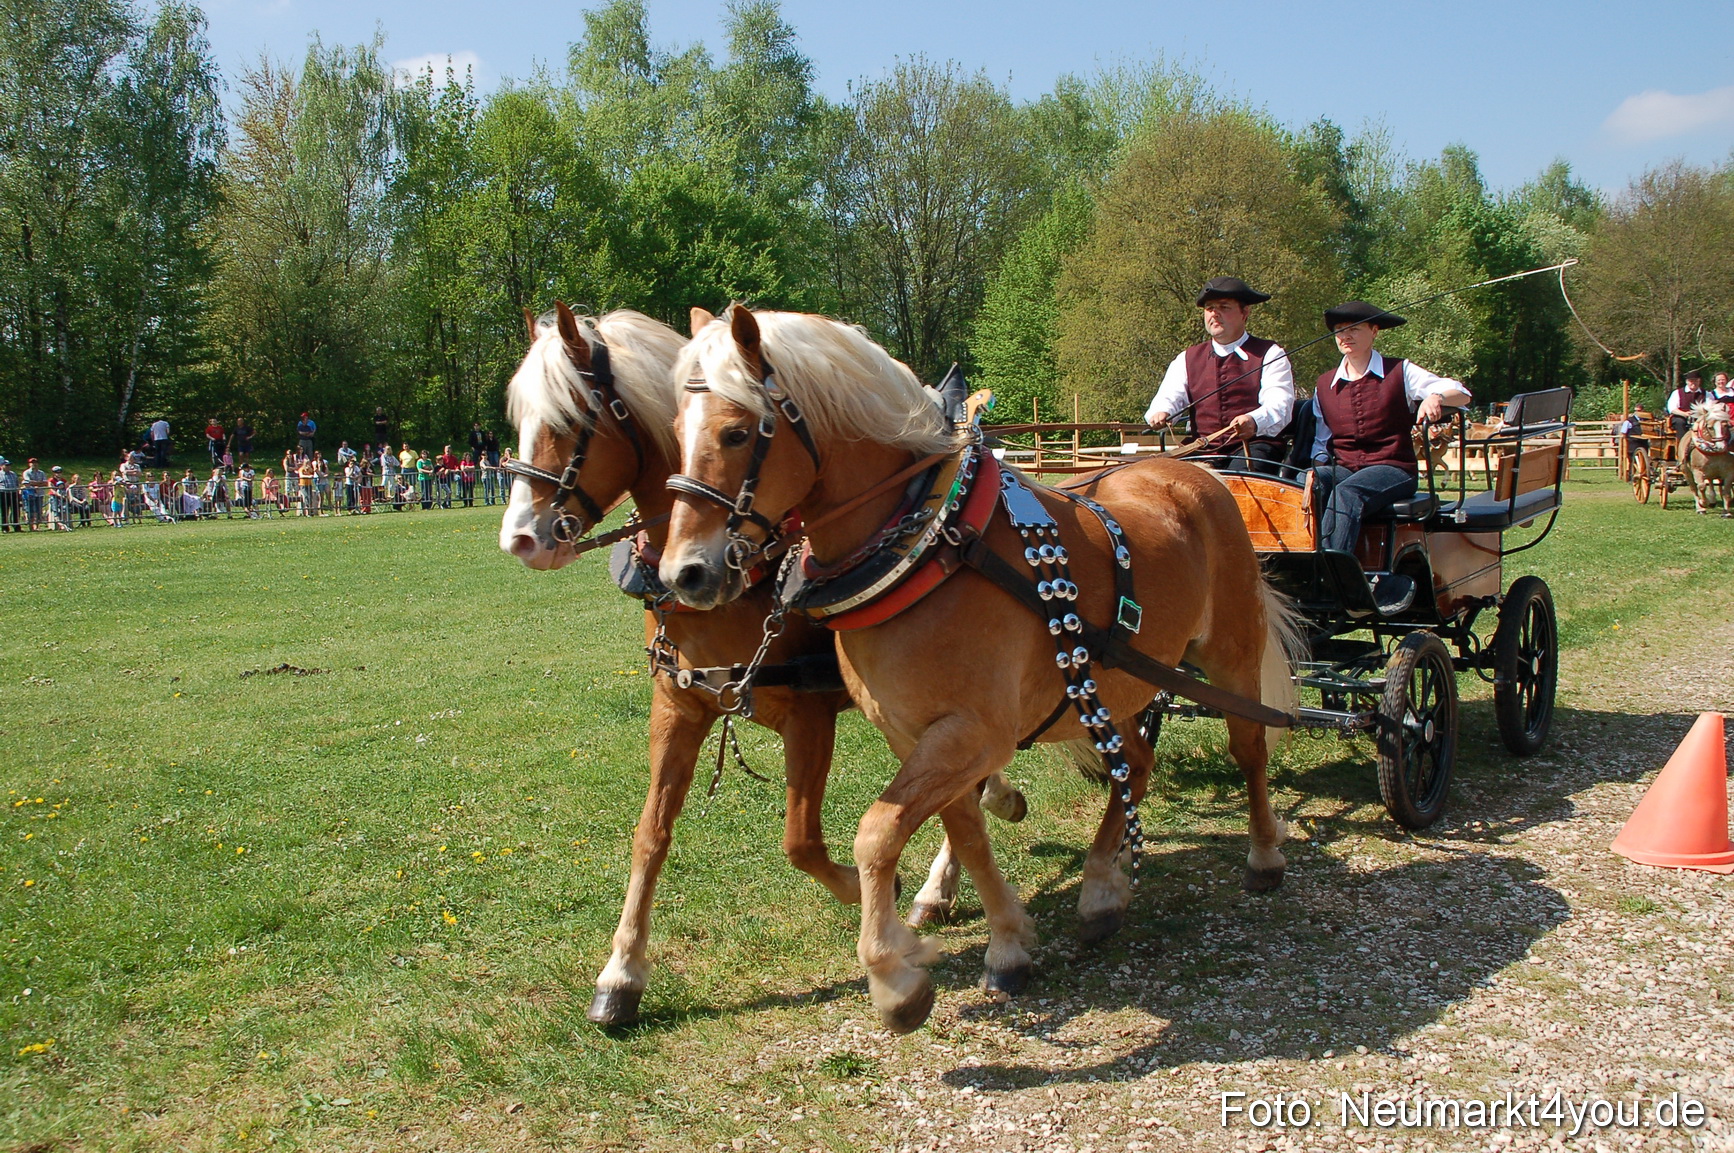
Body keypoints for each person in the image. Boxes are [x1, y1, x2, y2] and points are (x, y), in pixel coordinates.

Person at [1310, 300, 1470, 615]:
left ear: (1374, 331)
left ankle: (1333, 581)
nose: (1345, 336)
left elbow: (1462, 393)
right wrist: (1317, 469)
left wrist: (1435, 396)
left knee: (1347, 493)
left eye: (1354, 328)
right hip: (1344, 466)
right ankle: (1300, 573)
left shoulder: (1400, 371)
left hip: (1393, 468)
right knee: (1307, 483)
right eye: (1339, 331)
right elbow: (1321, 441)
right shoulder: (1324, 385)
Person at [1144, 276, 1296, 473]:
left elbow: (1280, 405)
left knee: (1237, 481)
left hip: (1253, 447)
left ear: (1245, 312)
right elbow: (1169, 396)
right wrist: (1162, 412)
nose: (1215, 314)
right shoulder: (1187, 358)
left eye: (1224, 307)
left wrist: (1253, 420)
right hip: (1202, 449)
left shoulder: (1271, 353)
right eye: (1209, 308)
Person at [1667, 371, 1707, 459]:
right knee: (1680, 422)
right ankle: (1682, 450)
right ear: (1687, 382)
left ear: (1699, 381)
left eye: (1696, 380)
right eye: (1691, 381)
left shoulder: (1706, 394)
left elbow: (1711, 407)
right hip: (1681, 417)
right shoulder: (1677, 393)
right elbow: (1672, 409)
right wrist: (1684, 414)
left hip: (1700, 418)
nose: (1693, 383)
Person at [20, 458, 47, 530]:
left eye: (35, 462)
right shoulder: (26, 472)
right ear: (29, 464)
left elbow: (45, 483)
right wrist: (39, 483)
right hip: (30, 495)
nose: (34, 464)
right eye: (32, 463)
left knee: (39, 510)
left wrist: (35, 484)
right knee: (30, 511)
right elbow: (28, 482)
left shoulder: (41, 473)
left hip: (40, 494)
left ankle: (37, 526)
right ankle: (31, 527)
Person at [0, 458, 19, 532]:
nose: (8, 467)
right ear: (2, 466)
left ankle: (16, 527)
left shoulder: (13, 474)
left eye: (9, 465)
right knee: (4, 511)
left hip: (13, 493)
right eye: (6, 465)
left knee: (15, 510)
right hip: (3, 493)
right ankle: (5, 528)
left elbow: (17, 483)